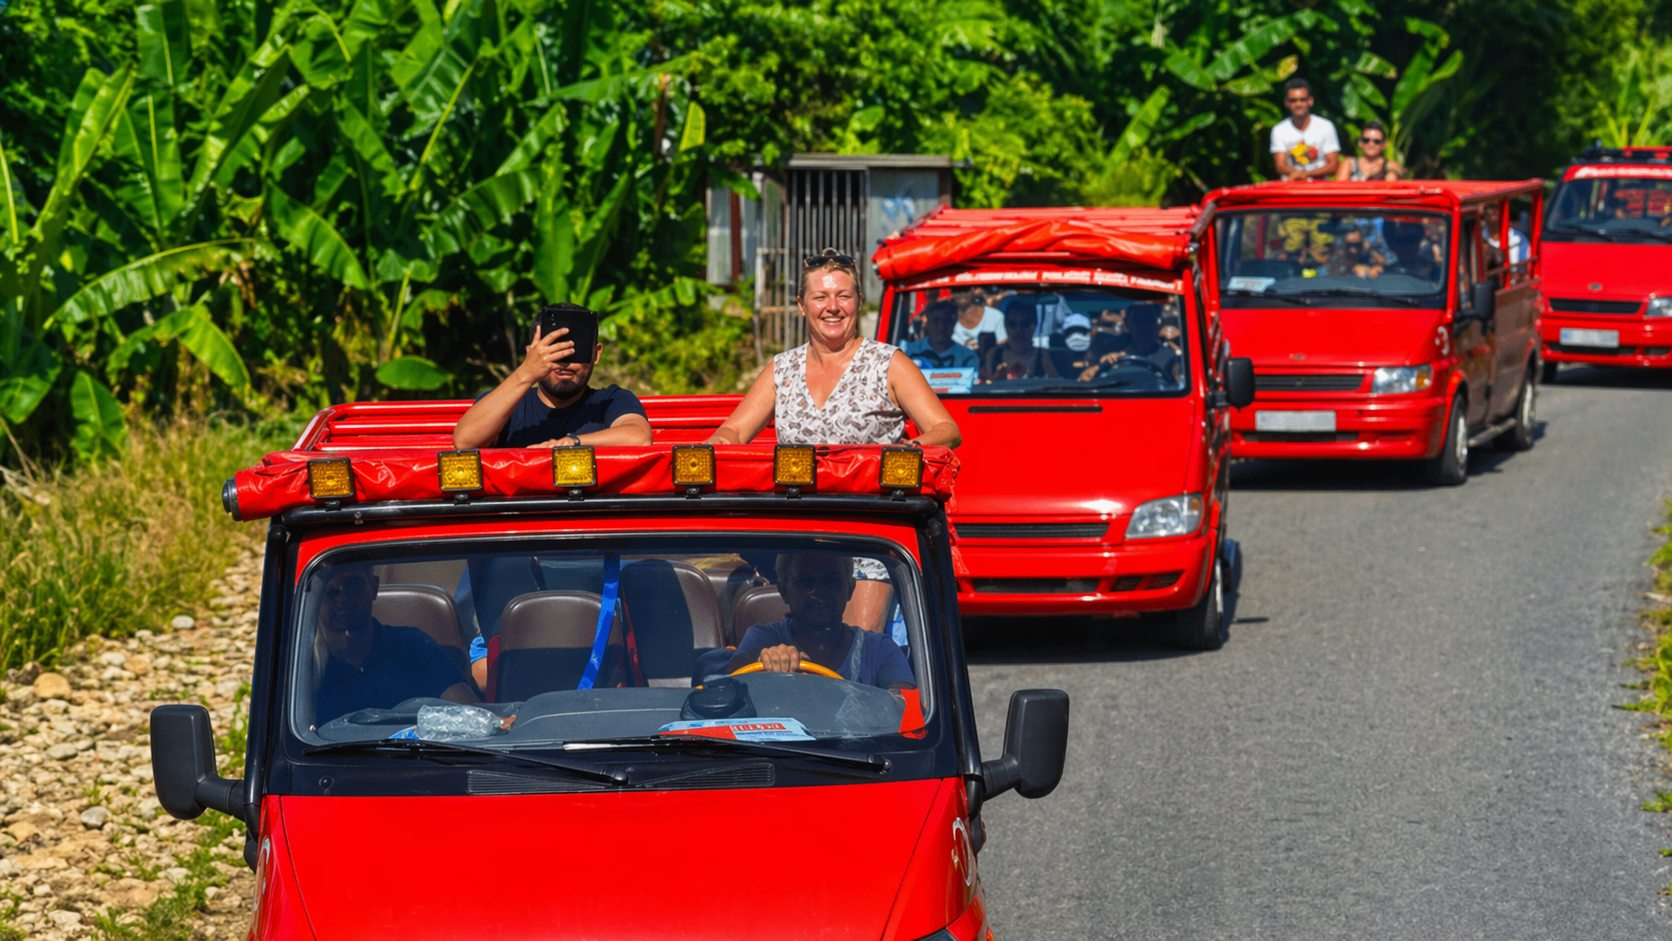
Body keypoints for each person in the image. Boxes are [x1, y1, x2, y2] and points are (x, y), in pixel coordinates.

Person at [706, 249, 960, 449]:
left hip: (875, 511)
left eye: (844, 296)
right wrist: (716, 443)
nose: (833, 307)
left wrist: (911, 448)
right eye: (820, 297)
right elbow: (735, 431)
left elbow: (947, 429)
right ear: (802, 305)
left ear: (859, 302)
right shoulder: (783, 370)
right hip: (798, 510)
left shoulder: (889, 364)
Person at [453, 303, 653, 450]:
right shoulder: (506, 403)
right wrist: (526, 372)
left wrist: (571, 443)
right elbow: (465, 441)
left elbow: (639, 438)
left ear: (596, 354)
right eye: (552, 351)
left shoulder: (611, 400)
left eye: (576, 352)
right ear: (531, 352)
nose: (565, 362)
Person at [312, 565, 478, 725]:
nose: (343, 598)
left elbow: (475, 716)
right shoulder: (304, 666)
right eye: (331, 591)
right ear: (316, 597)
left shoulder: (414, 648)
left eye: (353, 585)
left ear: (374, 587)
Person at [722, 554, 914, 690]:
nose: (819, 591)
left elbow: (907, 712)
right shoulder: (762, 639)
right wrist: (763, 664)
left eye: (832, 580)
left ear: (850, 589)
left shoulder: (879, 650)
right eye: (806, 581)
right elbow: (726, 691)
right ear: (784, 591)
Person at [1079, 304, 1180, 382]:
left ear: (1157, 324)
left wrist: (1177, 373)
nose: (1143, 325)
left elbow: (1180, 377)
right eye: (1137, 320)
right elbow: (1087, 378)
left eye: (1149, 320)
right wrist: (1098, 368)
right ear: (1128, 324)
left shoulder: (1171, 356)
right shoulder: (1113, 350)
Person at [1271, 78, 1340, 182]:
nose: (1298, 104)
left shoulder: (1325, 126)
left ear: (1310, 101)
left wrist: (1304, 174)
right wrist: (1301, 175)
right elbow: (1280, 166)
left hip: (1319, 189)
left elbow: (1333, 165)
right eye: (1293, 100)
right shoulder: (1279, 130)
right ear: (1286, 102)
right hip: (1291, 189)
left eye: (1302, 99)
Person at [982, 306, 1057, 380]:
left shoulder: (1042, 355)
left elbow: (1056, 385)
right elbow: (985, 385)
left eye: (1025, 323)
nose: (1018, 330)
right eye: (1012, 325)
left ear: (1034, 327)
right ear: (1006, 328)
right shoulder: (994, 355)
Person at [904, 299, 980, 369]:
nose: (941, 327)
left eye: (946, 321)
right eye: (936, 321)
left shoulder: (968, 357)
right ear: (928, 324)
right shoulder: (909, 352)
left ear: (953, 324)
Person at [1336, 120, 1404, 181]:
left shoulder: (1390, 166)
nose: (1371, 144)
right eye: (1366, 140)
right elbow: (1339, 187)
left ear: (1384, 144)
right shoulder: (1349, 163)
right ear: (1360, 142)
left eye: (1376, 141)